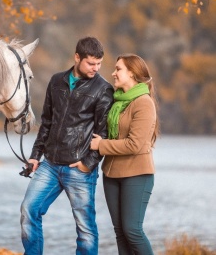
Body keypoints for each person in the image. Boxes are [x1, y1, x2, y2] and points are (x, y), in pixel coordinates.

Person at [20, 37, 114, 255]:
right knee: (28, 210)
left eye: (99, 63)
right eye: (91, 63)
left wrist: (87, 164)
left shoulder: (103, 89)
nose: (96, 68)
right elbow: (47, 122)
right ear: (77, 57)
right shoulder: (56, 81)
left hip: (78, 169)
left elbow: (103, 134)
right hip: (50, 165)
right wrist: (35, 156)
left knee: (85, 228)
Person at [90, 53, 159, 255]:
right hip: (112, 174)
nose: (113, 73)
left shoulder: (144, 103)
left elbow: (134, 145)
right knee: (120, 232)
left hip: (137, 175)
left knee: (132, 231)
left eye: (118, 69)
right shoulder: (116, 101)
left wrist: (102, 145)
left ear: (132, 73)